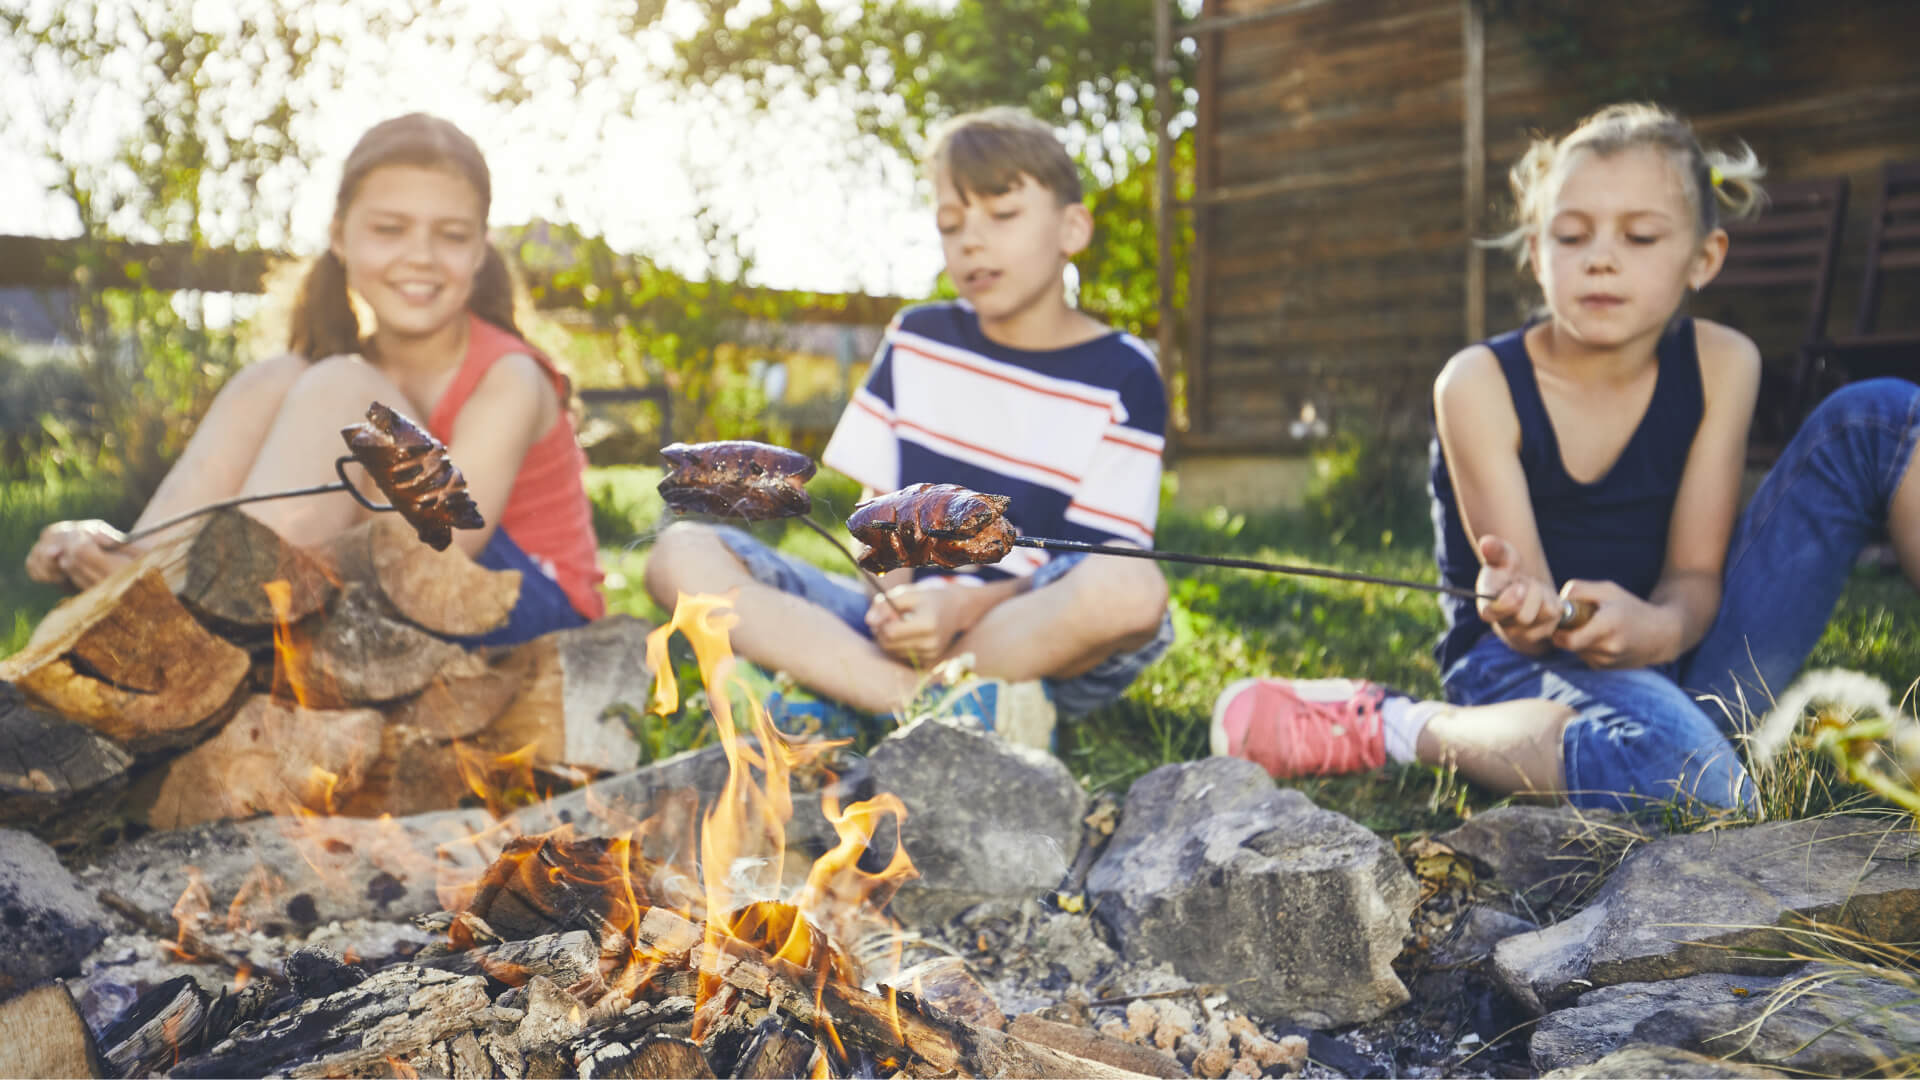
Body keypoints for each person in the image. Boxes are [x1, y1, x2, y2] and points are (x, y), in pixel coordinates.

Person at [1211, 103, 1920, 813]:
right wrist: (1522, 606)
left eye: (1640, 236)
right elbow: (1531, 613)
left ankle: (1666, 734)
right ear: (1535, 252)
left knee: (1882, 418)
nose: (1601, 257)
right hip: (1523, 666)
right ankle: (1401, 725)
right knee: (1699, 786)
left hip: (1680, 648)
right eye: (1571, 235)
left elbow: (1696, 576)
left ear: (1704, 259)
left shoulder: (1724, 362)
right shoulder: (1477, 384)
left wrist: (1660, 629)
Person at [644, 106, 1173, 745]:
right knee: (679, 554)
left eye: (1002, 216)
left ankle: (841, 693)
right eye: (952, 225)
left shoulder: (1125, 372)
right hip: (896, 628)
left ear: (1072, 228)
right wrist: (889, 607)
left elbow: (1092, 556)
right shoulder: (918, 339)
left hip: (1019, 635)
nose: (971, 240)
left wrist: (963, 606)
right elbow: (881, 530)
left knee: (1131, 586)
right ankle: (918, 704)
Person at [25, 113, 604, 645]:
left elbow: (447, 539)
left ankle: (224, 616)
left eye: (451, 235)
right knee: (280, 378)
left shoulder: (511, 376)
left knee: (340, 387)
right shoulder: (336, 370)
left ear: (480, 250)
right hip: (388, 583)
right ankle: (141, 572)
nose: (421, 256)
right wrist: (121, 553)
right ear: (338, 235)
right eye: (390, 229)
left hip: (526, 605)